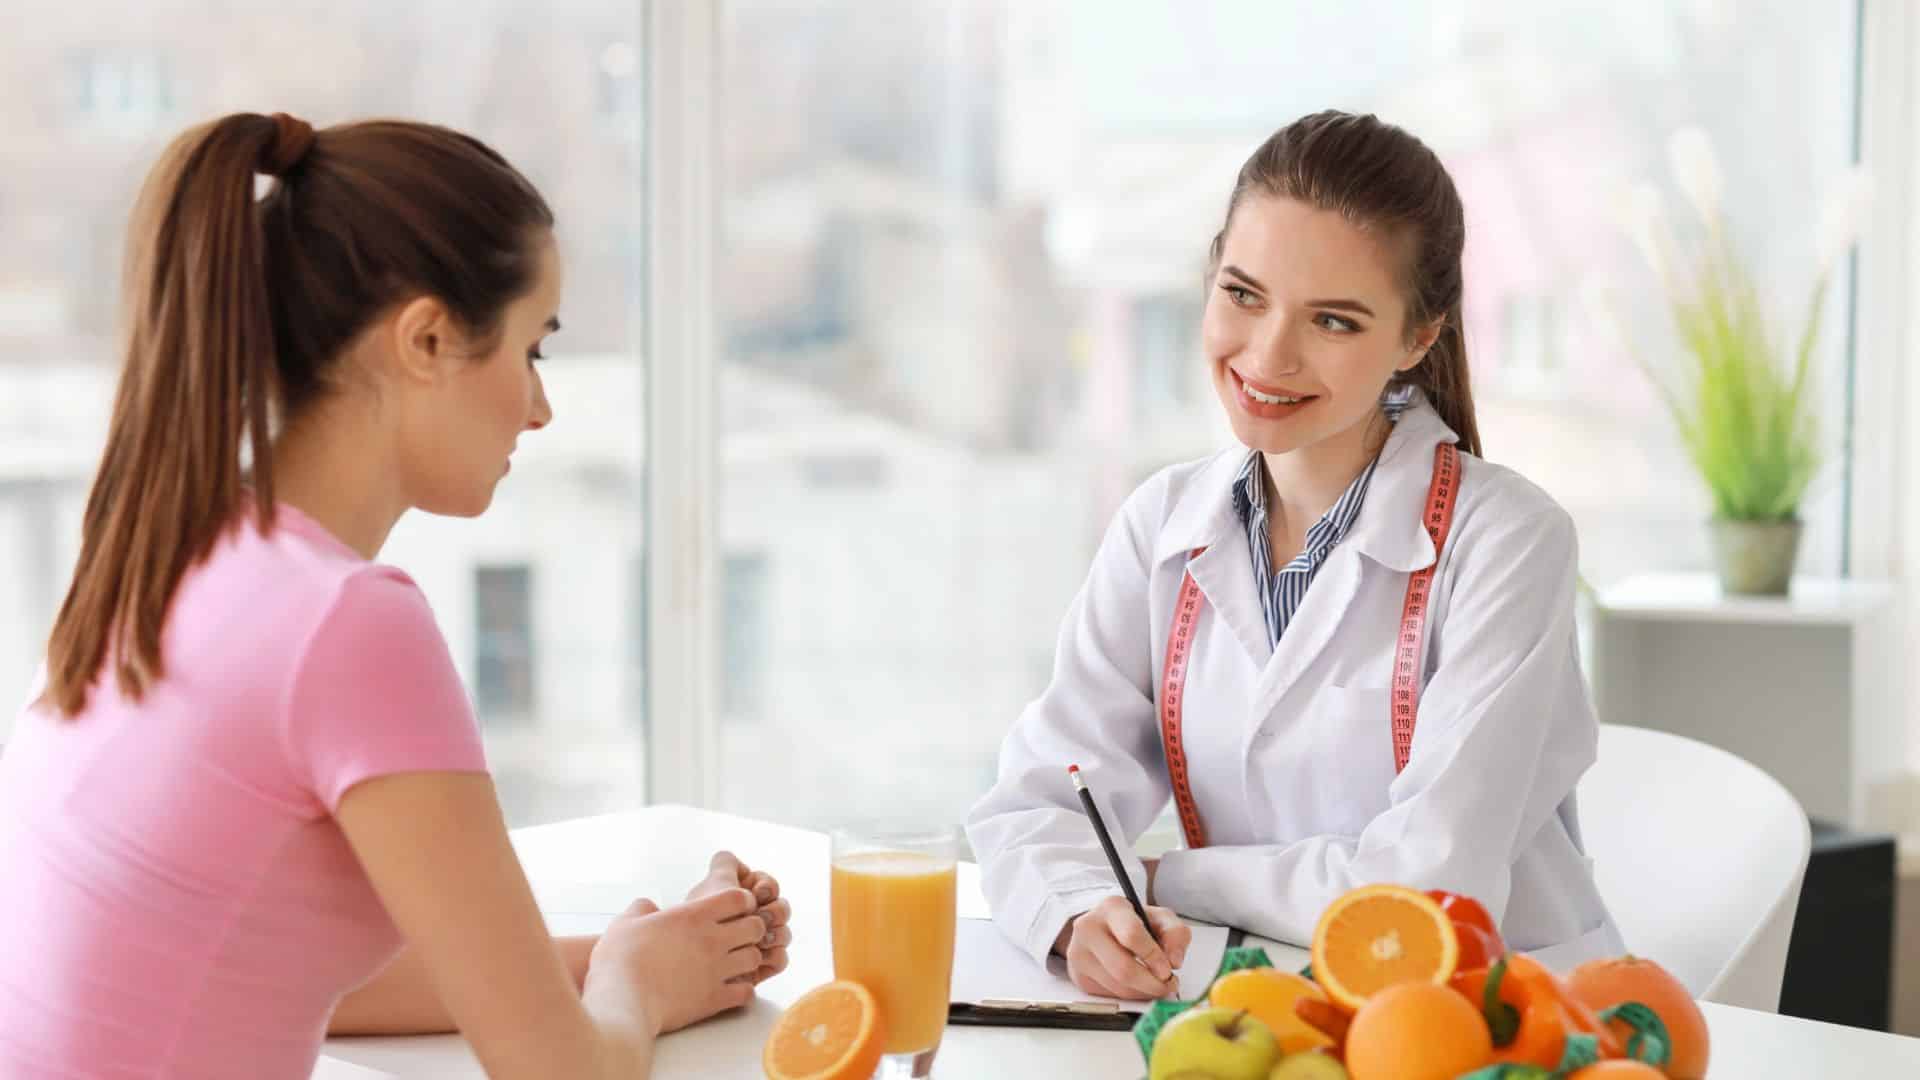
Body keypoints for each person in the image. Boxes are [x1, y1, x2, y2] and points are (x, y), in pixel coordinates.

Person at [0, 112, 790, 1079]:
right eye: (531, 349)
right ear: (423, 339)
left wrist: (632, 963)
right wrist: (639, 986)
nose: (540, 408)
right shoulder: (347, 624)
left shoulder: (177, 547)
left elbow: (283, 965)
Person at [966, 110, 1624, 1001]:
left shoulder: (1508, 542)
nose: (1268, 355)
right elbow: (1041, 799)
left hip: (1475, 1018)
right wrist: (1084, 912)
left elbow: (1425, 890)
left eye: (1335, 321)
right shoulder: (1162, 524)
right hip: (1250, 1004)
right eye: (1243, 294)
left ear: (1418, 338)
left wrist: (1172, 878)